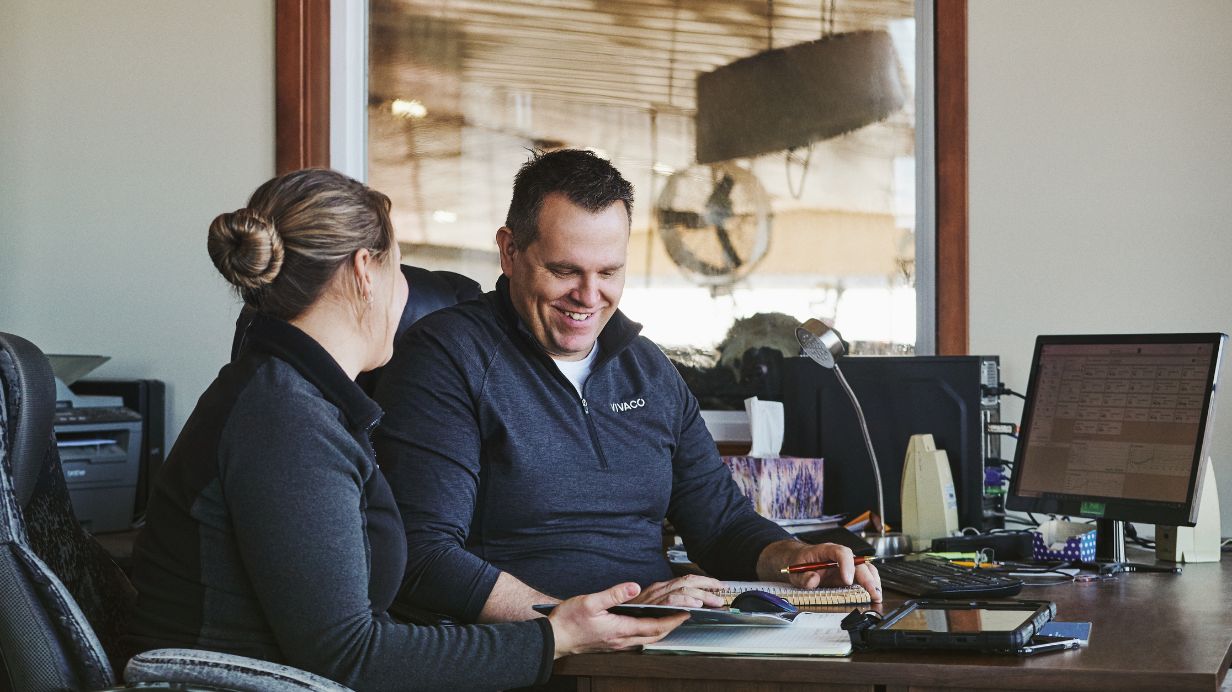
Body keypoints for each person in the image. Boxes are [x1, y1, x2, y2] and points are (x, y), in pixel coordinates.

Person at [124, 168, 685, 690]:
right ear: (367, 271)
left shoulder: (297, 399)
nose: (406, 293)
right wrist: (553, 637)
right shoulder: (285, 421)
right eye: (398, 267)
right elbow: (350, 654)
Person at [373, 149, 882, 625]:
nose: (588, 297)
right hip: (537, 652)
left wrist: (791, 558)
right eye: (564, 270)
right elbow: (424, 557)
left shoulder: (648, 368)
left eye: (609, 272)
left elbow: (722, 524)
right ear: (509, 251)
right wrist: (582, 619)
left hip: (661, 640)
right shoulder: (445, 357)